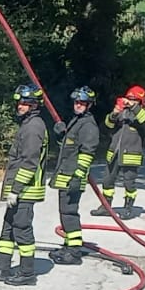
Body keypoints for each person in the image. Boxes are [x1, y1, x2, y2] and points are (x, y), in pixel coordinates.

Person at [0, 84, 50, 286]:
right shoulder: (27, 124)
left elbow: (29, 162)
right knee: (8, 229)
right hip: (18, 189)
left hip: (26, 189)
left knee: (22, 228)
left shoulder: (33, 128)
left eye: (25, 103)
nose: (20, 106)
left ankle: (27, 273)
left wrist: (16, 189)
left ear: (34, 105)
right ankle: (2, 267)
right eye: (19, 102)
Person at [50, 86, 101, 265]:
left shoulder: (88, 125)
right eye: (76, 102)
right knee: (65, 213)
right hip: (65, 175)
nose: (78, 105)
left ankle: (74, 252)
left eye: (82, 103)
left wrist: (78, 177)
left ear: (89, 105)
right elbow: (69, 149)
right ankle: (68, 246)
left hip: (73, 177)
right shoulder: (77, 121)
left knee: (70, 214)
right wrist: (60, 136)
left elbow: (87, 153)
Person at [94, 84, 145, 218]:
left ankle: (128, 208)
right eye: (128, 98)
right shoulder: (122, 113)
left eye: (133, 99)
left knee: (129, 183)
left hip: (131, 155)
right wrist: (114, 113)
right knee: (107, 181)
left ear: (140, 102)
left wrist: (132, 106)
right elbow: (107, 126)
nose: (129, 101)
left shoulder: (142, 115)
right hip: (114, 154)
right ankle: (105, 207)